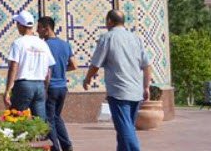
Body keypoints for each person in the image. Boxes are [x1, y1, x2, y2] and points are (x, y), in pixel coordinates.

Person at [83, 10, 151, 151]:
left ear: (109, 21)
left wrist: (88, 78)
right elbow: (147, 65)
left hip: (119, 91)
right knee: (126, 128)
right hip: (136, 90)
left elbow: (96, 63)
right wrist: (146, 87)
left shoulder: (107, 38)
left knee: (125, 129)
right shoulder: (135, 38)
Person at [2, 11, 54, 120]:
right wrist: (45, 87)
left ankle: (19, 137)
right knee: (39, 122)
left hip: (24, 84)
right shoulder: (42, 43)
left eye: (17, 24)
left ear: (21, 25)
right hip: (39, 84)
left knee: (15, 118)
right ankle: (40, 137)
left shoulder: (19, 43)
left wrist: (8, 90)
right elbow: (49, 69)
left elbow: (14, 67)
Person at [38, 16, 76, 151]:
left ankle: (55, 147)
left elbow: (46, 69)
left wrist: (45, 88)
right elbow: (74, 65)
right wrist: (60, 68)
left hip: (51, 87)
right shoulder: (65, 44)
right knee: (57, 117)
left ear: (46, 29)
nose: (38, 32)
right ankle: (67, 145)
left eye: (39, 29)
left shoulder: (44, 45)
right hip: (62, 87)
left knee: (49, 119)